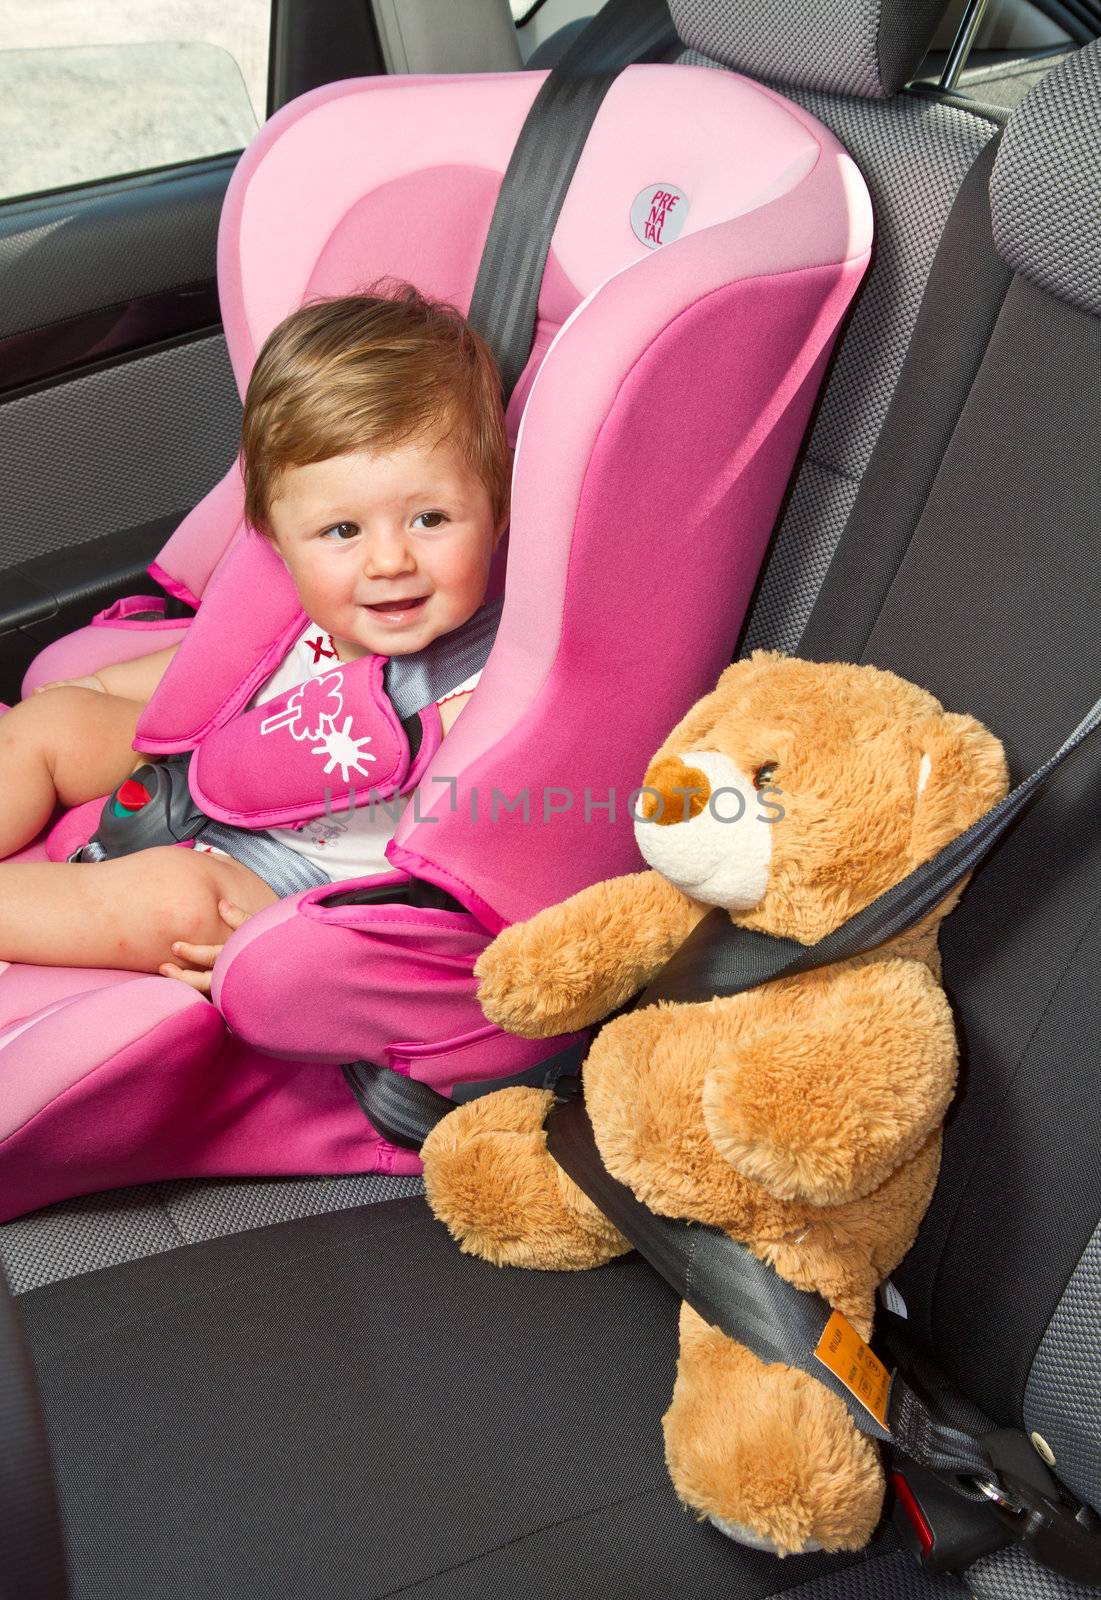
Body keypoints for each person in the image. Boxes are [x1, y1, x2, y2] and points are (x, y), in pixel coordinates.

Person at [0, 286, 510, 990]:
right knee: (51, 723)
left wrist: (304, 948)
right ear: (276, 538)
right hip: (203, 771)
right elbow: (204, 674)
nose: (389, 561)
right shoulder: (308, 610)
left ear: (497, 514)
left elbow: (487, 842)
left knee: (177, 904)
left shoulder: (491, 683)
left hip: (283, 879)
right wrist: (95, 690)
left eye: (430, 519)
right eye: (342, 531)